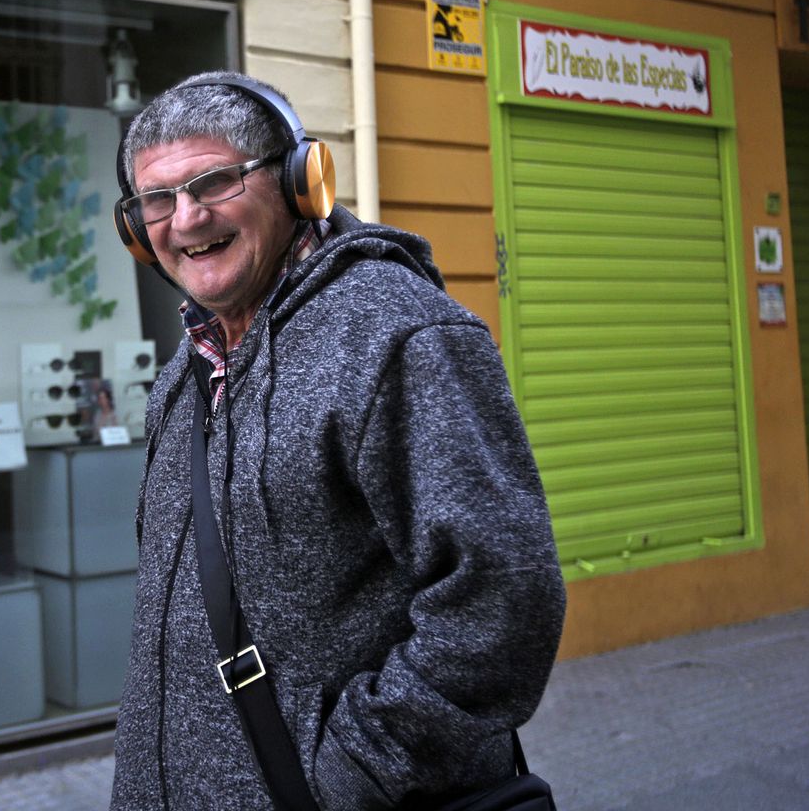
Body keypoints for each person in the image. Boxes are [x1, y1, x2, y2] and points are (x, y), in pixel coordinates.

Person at [109, 71, 566, 810]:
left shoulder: (400, 334)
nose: (185, 219)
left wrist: (361, 770)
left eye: (214, 183)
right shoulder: (186, 371)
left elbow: (505, 596)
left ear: (300, 184)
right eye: (157, 200)